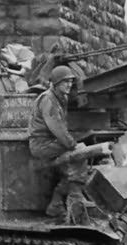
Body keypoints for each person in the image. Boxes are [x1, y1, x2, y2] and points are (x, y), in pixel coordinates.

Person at [28, 64, 90, 220]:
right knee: (80, 154)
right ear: (55, 83)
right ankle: (72, 198)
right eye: (65, 82)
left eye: (70, 82)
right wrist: (73, 145)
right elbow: (57, 127)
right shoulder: (48, 100)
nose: (69, 85)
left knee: (75, 160)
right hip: (42, 145)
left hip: (52, 143)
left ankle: (57, 202)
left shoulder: (61, 98)